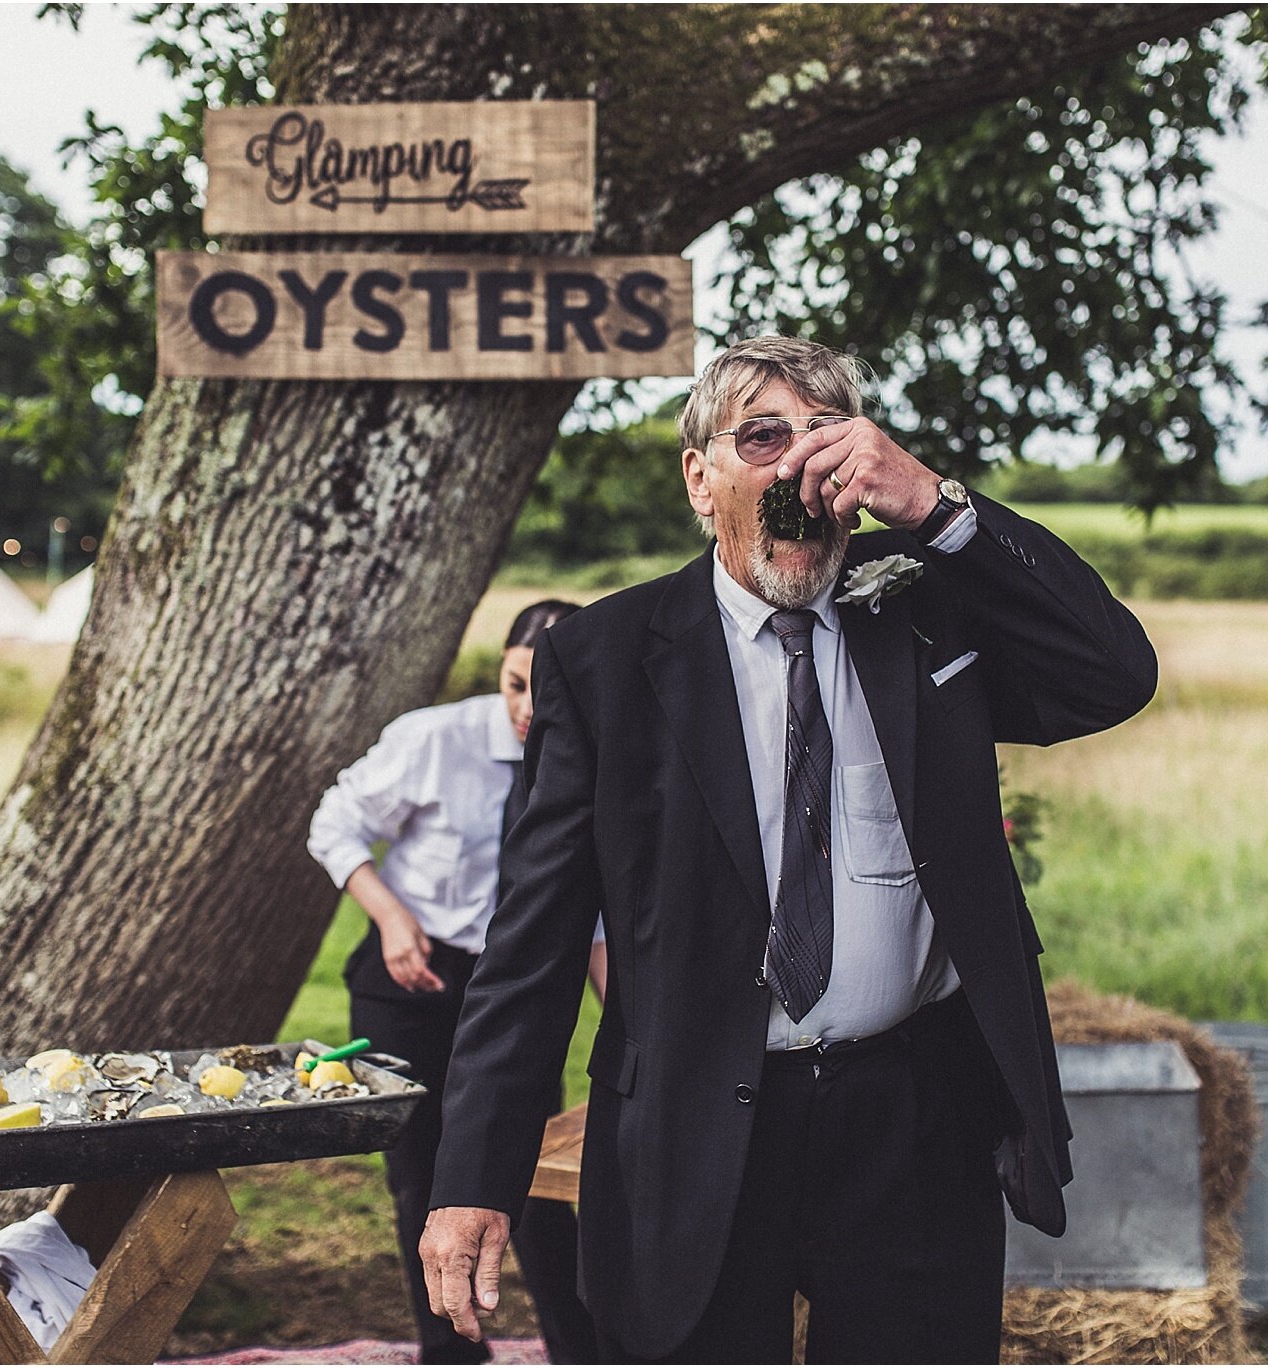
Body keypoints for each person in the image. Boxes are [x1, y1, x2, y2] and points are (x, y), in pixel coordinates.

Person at [421, 336, 1159, 1363]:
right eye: (762, 436)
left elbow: (1110, 674)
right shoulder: (600, 659)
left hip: (911, 1117)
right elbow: (529, 946)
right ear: (699, 476)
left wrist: (936, 508)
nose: (799, 464)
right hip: (692, 1121)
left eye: (828, 436)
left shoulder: (920, 611)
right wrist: (471, 1178)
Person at [308, 601, 604, 1365]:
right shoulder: (433, 740)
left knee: (532, 1174)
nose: (527, 709)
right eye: (513, 685)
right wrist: (391, 918)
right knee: (422, 1174)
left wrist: (634, 1024)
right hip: (409, 976)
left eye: (546, 689)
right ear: (499, 670)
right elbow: (334, 822)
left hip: (515, 991)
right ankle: (452, 1353)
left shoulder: (595, 752)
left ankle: (579, 1351)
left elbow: (593, 907)